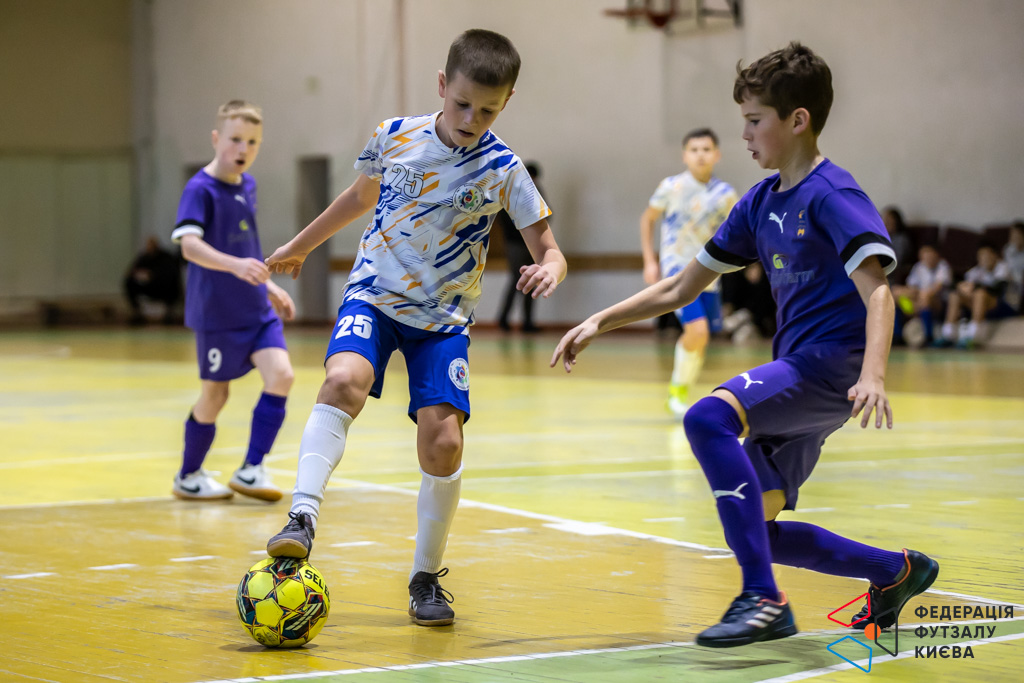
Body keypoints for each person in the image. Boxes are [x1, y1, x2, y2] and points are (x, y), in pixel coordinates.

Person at [552, 43, 937, 648]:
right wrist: (601, 320)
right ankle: (895, 570)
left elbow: (880, 293)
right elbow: (681, 287)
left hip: (831, 368)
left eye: (755, 121)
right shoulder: (758, 203)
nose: (745, 135)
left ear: (798, 120)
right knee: (753, 526)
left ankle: (763, 598)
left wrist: (874, 374)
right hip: (800, 369)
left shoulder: (833, 195)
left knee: (706, 418)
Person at [262, 29, 566, 628]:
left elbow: (548, 248)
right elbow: (358, 198)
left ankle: (425, 577)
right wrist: (300, 246)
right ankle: (302, 517)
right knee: (343, 380)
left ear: (506, 102)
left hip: (442, 322)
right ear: (441, 86)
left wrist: (549, 269)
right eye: (462, 104)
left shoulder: (504, 169)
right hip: (374, 296)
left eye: (488, 110)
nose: (471, 119)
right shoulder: (394, 135)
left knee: (444, 441)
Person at [170, 100, 296, 502]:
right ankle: (188, 476)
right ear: (216, 138)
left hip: (255, 309)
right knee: (216, 396)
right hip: (218, 314)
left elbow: (246, 246)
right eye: (236, 139)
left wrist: (268, 286)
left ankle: (252, 469)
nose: (243, 149)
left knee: (282, 376)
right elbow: (189, 246)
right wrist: (236, 266)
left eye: (253, 142)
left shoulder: (248, 185)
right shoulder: (200, 189)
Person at [640, 129, 738, 417]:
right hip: (677, 268)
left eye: (706, 149)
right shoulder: (671, 187)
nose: (700, 155)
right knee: (697, 330)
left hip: (709, 271)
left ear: (717, 155)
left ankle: (681, 390)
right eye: (694, 150)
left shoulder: (725, 194)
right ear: (685, 155)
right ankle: (677, 394)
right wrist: (650, 260)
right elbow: (648, 219)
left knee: (702, 338)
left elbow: (738, 230)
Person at [497, 161, 546, 332]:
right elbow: (505, 219)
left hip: (529, 244)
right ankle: (504, 319)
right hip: (516, 243)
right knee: (517, 280)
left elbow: (546, 214)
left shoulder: (536, 191)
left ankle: (527, 322)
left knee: (530, 280)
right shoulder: (512, 190)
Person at [934, 243, 1013, 349]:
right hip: (980, 305)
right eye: (981, 255)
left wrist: (975, 286)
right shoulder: (975, 271)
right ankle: (949, 335)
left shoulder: (1003, 267)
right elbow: (961, 286)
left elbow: (998, 290)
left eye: (987, 255)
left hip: (1005, 306)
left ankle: (974, 336)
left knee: (980, 293)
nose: (984, 258)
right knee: (955, 294)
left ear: (995, 255)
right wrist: (961, 287)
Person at [891, 244, 951, 346]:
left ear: (936, 254)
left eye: (929, 253)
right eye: (924, 254)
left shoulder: (943, 266)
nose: (927, 256)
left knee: (926, 296)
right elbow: (911, 288)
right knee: (896, 292)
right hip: (918, 304)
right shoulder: (918, 267)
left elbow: (936, 289)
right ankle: (897, 335)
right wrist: (912, 296)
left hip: (938, 305)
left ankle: (928, 336)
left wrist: (920, 295)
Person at [124, 235, 182, 325]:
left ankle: (169, 313)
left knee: (171, 284)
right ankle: (137, 312)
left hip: (163, 287)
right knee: (129, 283)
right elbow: (131, 272)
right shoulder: (144, 257)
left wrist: (152, 275)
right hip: (149, 287)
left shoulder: (165, 257)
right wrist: (140, 275)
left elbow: (170, 274)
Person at [882, 206, 914, 285]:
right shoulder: (882, 237)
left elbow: (897, 260)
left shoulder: (901, 239)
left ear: (896, 222)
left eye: (888, 220)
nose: (885, 223)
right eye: (884, 220)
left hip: (892, 272)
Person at [1003, 221, 1024, 312]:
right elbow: (1007, 267)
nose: (1015, 237)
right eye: (1012, 235)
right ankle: (1011, 310)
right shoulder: (1008, 250)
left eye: (1017, 235)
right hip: (1012, 280)